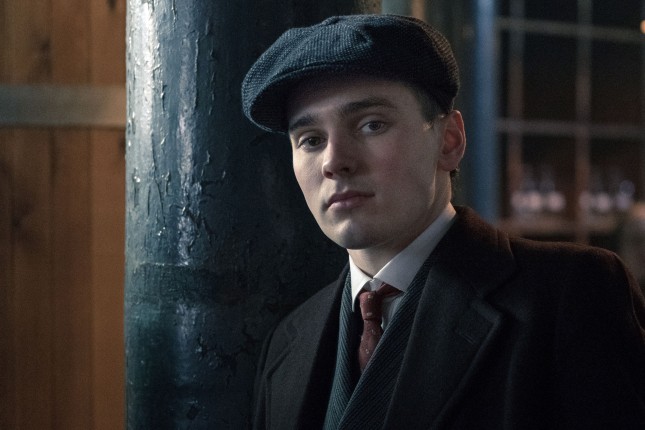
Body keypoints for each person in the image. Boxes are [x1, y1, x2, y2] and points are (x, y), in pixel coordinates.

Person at [241, 14, 645, 430]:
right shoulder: (289, 342)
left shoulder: (570, 296)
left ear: (449, 141)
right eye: (310, 140)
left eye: (371, 124)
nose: (333, 161)